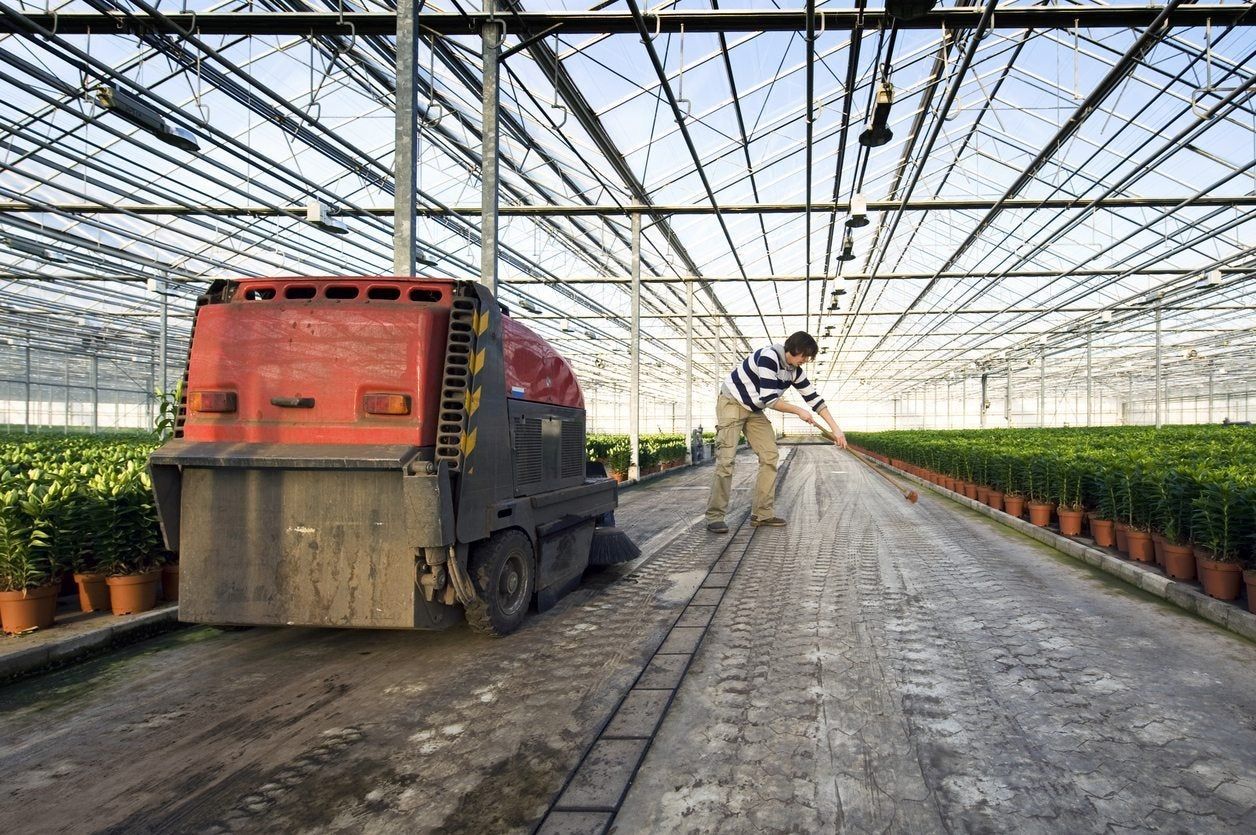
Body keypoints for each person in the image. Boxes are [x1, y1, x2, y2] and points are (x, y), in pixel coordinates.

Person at [705, 331, 845, 533]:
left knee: (770, 455)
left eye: (808, 357)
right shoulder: (769, 357)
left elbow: (814, 399)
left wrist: (836, 429)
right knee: (726, 459)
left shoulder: (794, 370)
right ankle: (715, 516)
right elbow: (770, 399)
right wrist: (799, 411)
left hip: (754, 408)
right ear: (794, 349)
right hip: (732, 402)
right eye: (804, 356)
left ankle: (762, 514)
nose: (805, 361)